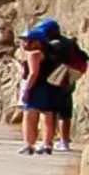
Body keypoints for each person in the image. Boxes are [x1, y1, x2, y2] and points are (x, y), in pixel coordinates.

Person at [39, 18, 86, 151]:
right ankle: (64, 141)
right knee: (65, 111)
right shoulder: (69, 42)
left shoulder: (52, 44)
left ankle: (47, 140)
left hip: (53, 80)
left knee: (49, 111)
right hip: (68, 79)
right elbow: (84, 56)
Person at [17, 24, 58, 155]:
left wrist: (26, 90)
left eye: (26, 40)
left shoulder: (34, 54)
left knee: (29, 116)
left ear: (36, 42)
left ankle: (29, 144)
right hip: (48, 86)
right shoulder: (49, 53)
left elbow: (33, 73)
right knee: (47, 115)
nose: (24, 43)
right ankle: (47, 144)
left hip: (36, 86)